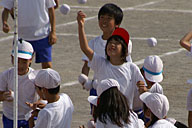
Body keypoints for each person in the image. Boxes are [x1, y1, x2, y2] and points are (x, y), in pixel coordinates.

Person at [77, 11, 145, 109]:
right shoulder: (101, 63)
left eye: (116, 43)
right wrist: (80, 25)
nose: (112, 44)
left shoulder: (132, 68)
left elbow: (142, 91)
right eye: (110, 42)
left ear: (125, 50)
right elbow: (85, 48)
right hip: (105, 116)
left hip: (125, 116)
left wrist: (144, 89)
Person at [0, 0, 57, 69]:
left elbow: (51, 9)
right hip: (22, 37)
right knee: (20, 67)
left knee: (47, 66)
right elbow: (6, 9)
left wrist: (53, 32)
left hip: (43, 34)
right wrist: (4, 22)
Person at [0, 39, 38, 128]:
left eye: (24, 62)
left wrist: (35, 105)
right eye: (17, 61)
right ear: (12, 58)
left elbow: (42, 97)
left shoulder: (35, 76)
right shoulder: (6, 75)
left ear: (31, 59)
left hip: (29, 117)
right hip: (10, 117)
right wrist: (4, 96)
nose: (20, 65)